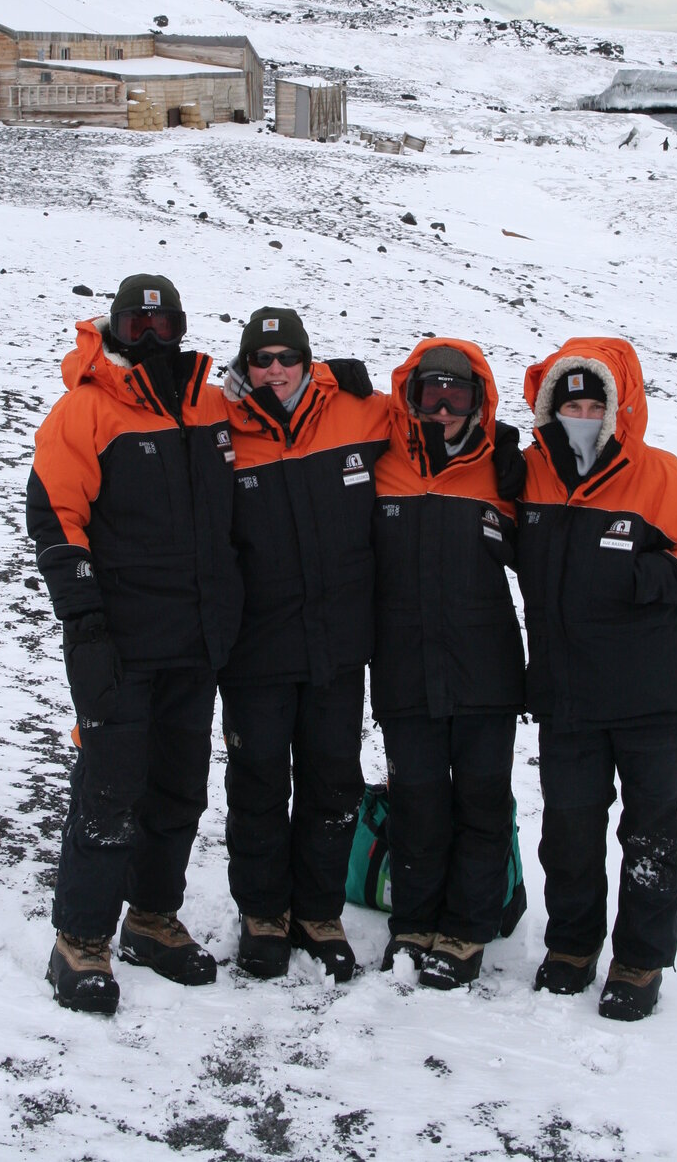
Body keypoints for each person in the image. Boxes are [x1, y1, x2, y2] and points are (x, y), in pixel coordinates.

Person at [26, 274, 243, 1014]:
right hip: (118, 638)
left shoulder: (211, 404)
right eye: (136, 324)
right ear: (114, 327)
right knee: (111, 787)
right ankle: (81, 939)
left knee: (180, 786)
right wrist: (82, 620)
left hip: (198, 636)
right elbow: (56, 518)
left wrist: (335, 378)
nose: (151, 337)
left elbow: (288, 415)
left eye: (164, 324)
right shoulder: (85, 409)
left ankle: (153, 918)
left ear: (180, 327)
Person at [515, 337, 677, 1020]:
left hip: (651, 694)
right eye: (569, 402)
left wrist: (654, 576)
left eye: (593, 402)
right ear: (550, 407)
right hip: (566, 692)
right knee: (570, 829)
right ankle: (572, 947)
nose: (581, 413)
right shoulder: (529, 474)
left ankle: (640, 960)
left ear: (618, 409)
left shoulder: (657, 473)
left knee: (651, 833)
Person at [219, 307, 389, 982]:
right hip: (255, 649)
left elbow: (434, 423)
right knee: (258, 782)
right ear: (245, 367)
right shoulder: (220, 426)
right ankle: (262, 914)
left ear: (308, 361)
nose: (276, 371)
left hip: (338, 645)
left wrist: (365, 383)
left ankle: (318, 912)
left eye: (289, 357)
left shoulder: (357, 414)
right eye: (262, 360)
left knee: (332, 782)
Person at [370, 341, 526, 989]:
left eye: (456, 396)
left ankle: (466, 928)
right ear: (410, 398)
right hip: (405, 669)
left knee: (482, 804)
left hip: (485, 672)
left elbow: (557, 553)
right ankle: (413, 923)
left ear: (478, 402)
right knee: (418, 801)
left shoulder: (506, 473)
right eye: (429, 394)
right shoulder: (383, 464)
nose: (441, 408)